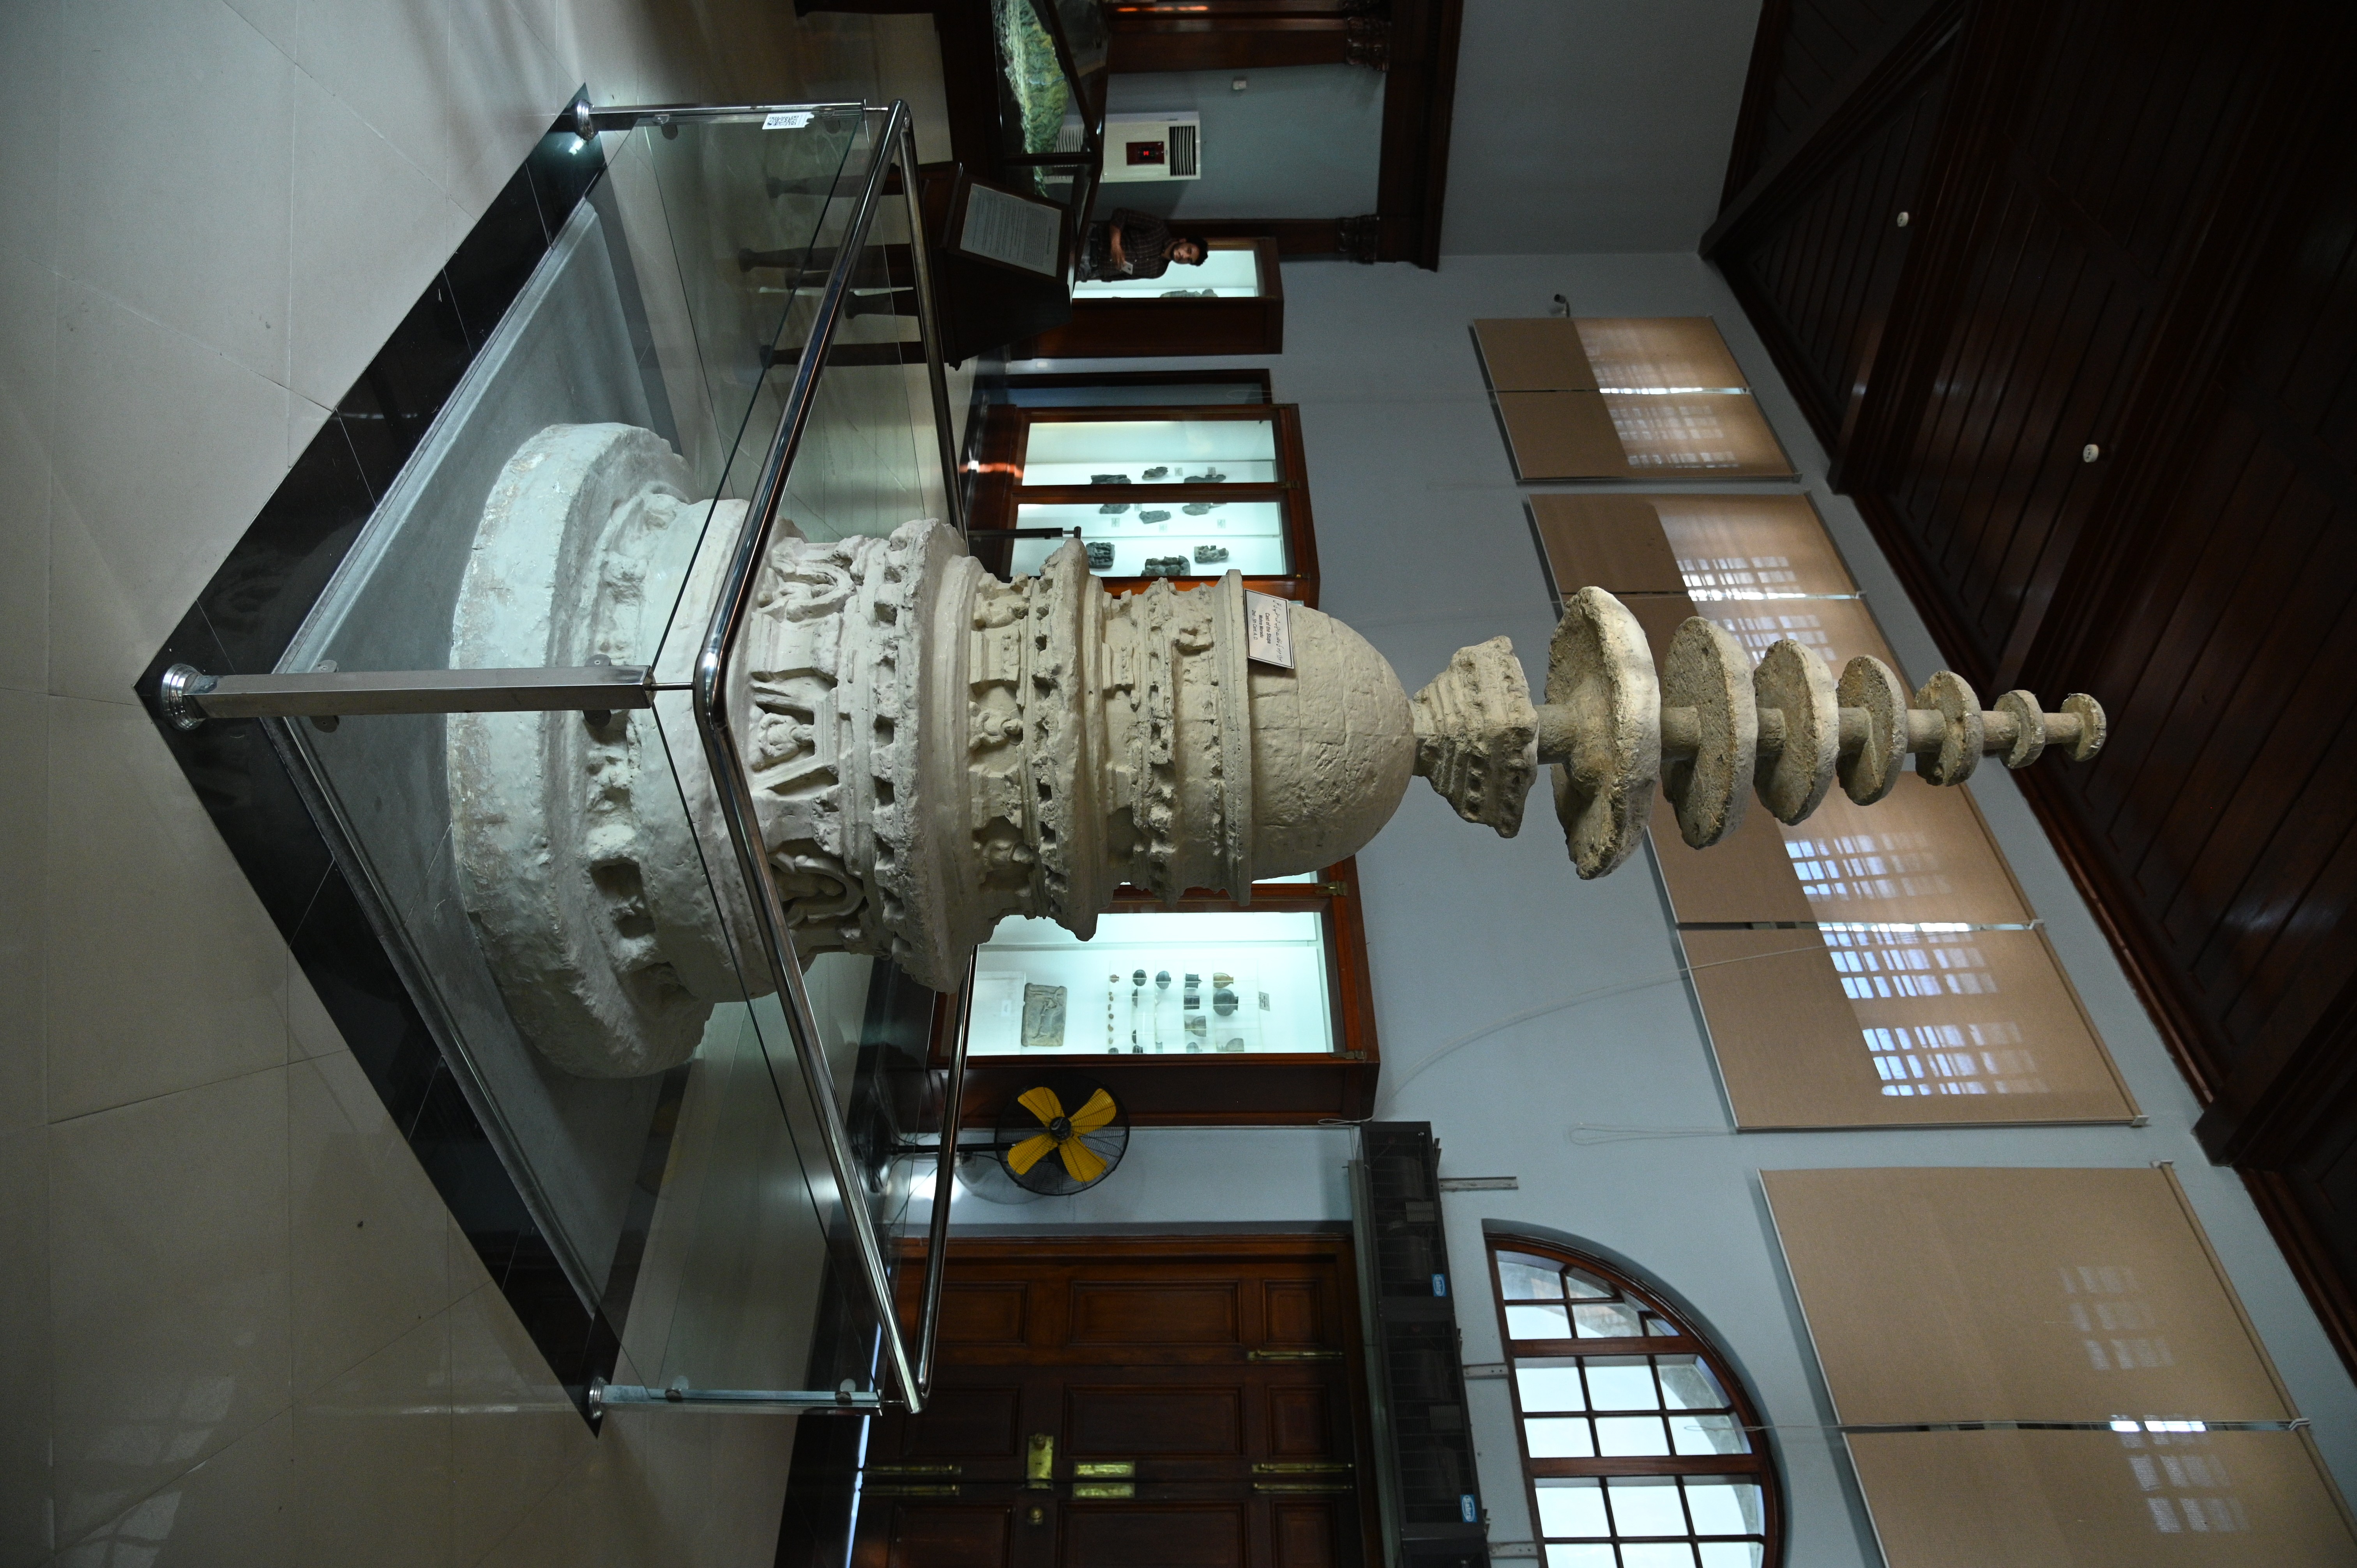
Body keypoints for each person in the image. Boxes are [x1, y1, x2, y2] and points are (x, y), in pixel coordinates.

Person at [1079, 208, 1206, 283]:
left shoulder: (1158, 272)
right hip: (1090, 241)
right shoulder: (1158, 229)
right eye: (1188, 251)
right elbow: (1122, 214)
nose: (1184, 257)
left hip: (1089, 271)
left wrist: (1092, 277)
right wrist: (1116, 245)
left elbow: (1124, 276)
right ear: (1184, 241)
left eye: (1189, 260)